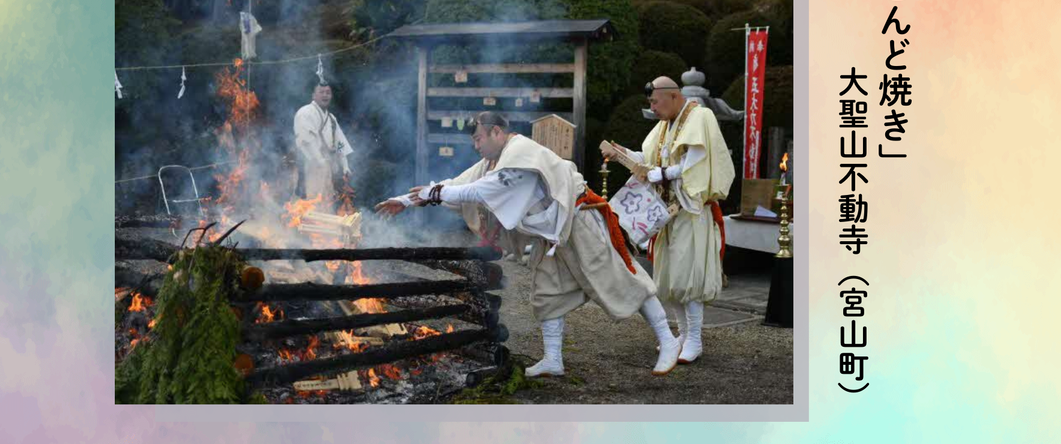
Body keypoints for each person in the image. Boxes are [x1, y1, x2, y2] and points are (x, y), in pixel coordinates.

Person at [375, 112, 681, 378]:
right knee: (547, 291)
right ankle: (553, 359)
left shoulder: (521, 154)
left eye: (479, 138)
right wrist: (405, 200)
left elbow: (479, 192)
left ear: (497, 132)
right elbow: (457, 184)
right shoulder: (492, 160)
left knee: (622, 279)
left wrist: (435, 194)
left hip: (577, 222)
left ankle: (668, 340)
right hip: (549, 235)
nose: (476, 145)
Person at [600, 76, 735, 364]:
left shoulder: (701, 115)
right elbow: (648, 159)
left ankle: (695, 339)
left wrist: (662, 174)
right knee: (671, 276)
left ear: (672, 96)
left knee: (689, 274)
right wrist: (623, 153)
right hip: (665, 210)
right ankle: (682, 334)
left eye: (654, 101)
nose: (652, 107)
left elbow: (697, 157)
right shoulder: (663, 126)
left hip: (691, 207)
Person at [293, 80, 353, 205]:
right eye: (321, 92)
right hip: (309, 164)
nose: (325, 95)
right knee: (308, 202)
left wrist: (345, 165)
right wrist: (319, 160)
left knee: (325, 202)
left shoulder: (331, 119)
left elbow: (340, 143)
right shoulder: (305, 112)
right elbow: (306, 140)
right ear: (313, 95)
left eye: (328, 93)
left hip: (326, 166)